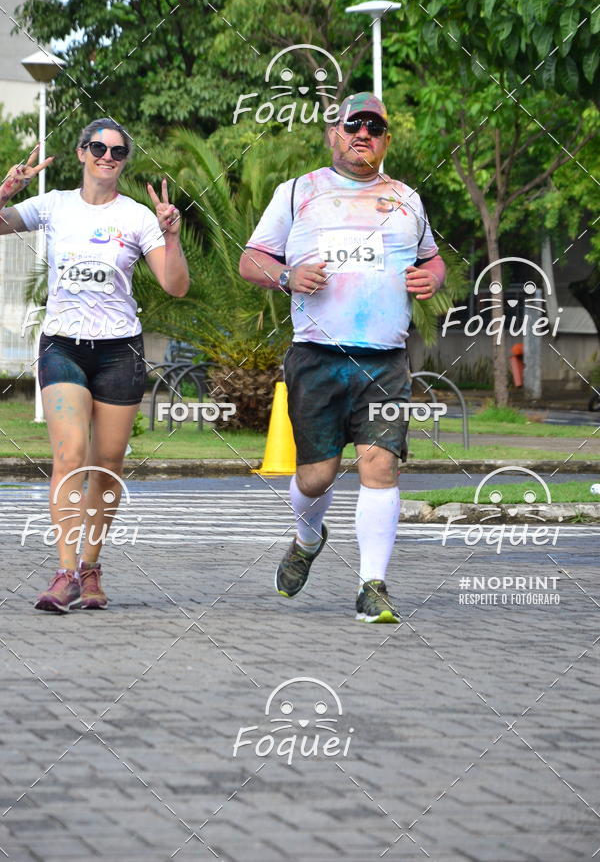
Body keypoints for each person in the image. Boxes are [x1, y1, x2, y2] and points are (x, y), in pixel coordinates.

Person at [239, 92, 445, 623]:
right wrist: (286, 276)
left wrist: (431, 279)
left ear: (386, 140)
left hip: (385, 360)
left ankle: (371, 585)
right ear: (333, 132)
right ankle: (308, 538)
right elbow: (250, 260)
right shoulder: (299, 192)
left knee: (381, 466)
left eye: (375, 127)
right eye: (353, 123)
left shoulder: (406, 198)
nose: (363, 134)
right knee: (317, 477)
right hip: (316, 356)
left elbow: (433, 259)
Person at [0, 118, 190, 612]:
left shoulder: (138, 217)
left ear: (125, 161)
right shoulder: (54, 204)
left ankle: (90, 567)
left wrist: (171, 235)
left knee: (107, 465)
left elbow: (175, 285)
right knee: (70, 455)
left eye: (118, 151)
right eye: (98, 147)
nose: (108, 156)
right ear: (82, 152)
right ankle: (64, 572)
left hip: (119, 351)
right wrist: (5, 191)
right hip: (63, 344)